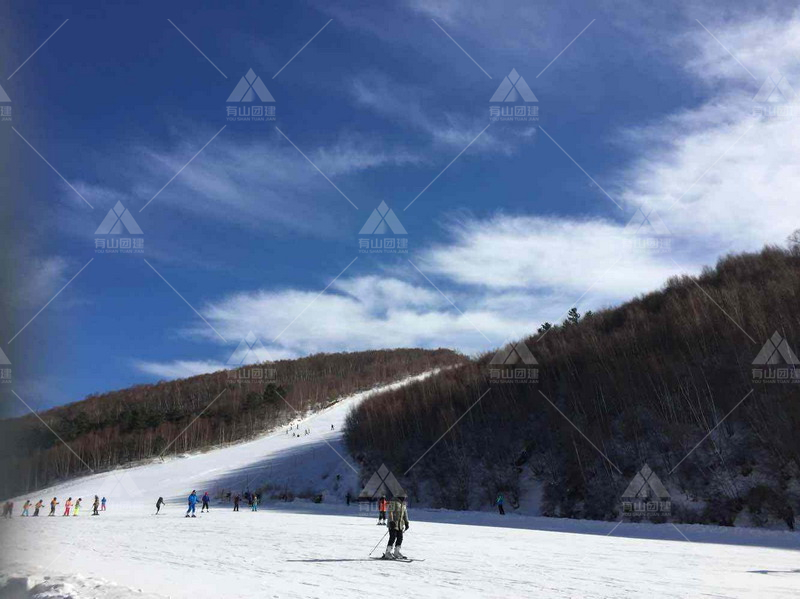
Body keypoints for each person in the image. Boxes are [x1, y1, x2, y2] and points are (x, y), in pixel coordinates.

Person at [384, 495, 410, 560]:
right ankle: (388, 552)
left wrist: (406, 523)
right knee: (392, 537)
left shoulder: (403, 504)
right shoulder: (393, 502)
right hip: (393, 524)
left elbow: (405, 514)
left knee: (400, 538)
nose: (404, 497)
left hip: (400, 524)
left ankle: (396, 552)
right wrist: (391, 521)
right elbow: (390, 512)